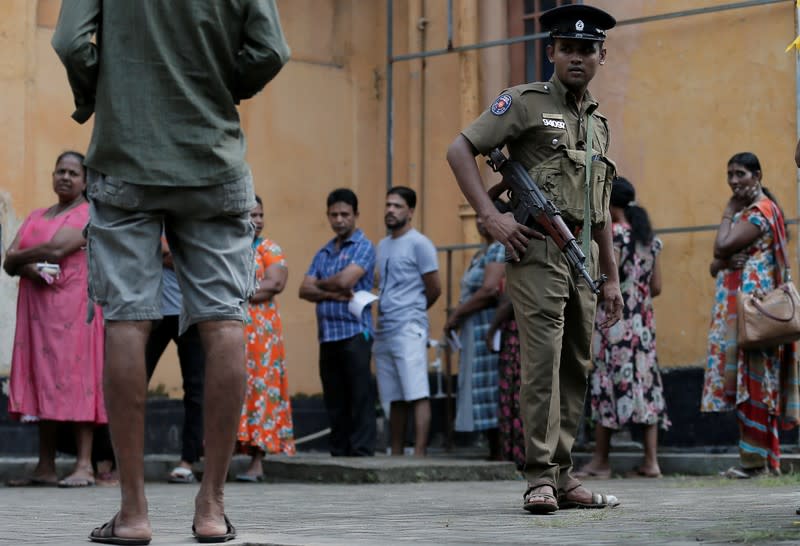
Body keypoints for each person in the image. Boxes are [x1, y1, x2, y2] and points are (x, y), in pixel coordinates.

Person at [52, 2, 289, 543]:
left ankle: (133, 512)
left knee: (127, 320)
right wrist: (215, 85)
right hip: (212, 157)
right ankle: (211, 506)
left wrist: (103, 94)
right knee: (225, 321)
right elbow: (272, 50)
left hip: (126, 152)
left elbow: (70, 42)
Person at [446, 4, 623, 513]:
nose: (576, 57)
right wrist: (489, 216)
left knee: (576, 364)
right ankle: (539, 477)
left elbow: (602, 209)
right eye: (567, 48)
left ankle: (565, 476)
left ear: (601, 57)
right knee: (542, 363)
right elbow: (460, 149)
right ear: (550, 52)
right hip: (537, 247)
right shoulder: (523, 103)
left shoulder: (598, 124)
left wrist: (610, 279)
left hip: (583, 252)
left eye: (587, 50)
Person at [4, 150, 106, 488]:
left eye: (73, 173)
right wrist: (25, 264)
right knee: (42, 380)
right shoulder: (36, 215)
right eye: (60, 171)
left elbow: (59, 250)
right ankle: (45, 466)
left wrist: (20, 256)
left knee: (79, 378)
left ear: (86, 181)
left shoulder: (89, 214)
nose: (65, 177)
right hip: (37, 315)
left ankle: (84, 466)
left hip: (75, 309)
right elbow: (7, 263)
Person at [702, 152, 800, 478]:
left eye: (740, 174)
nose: (733, 181)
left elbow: (720, 247)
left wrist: (729, 212)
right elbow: (717, 263)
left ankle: (755, 462)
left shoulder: (760, 211)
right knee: (754, 379)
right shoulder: (750, 213)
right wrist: (726, 259)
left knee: (755, 380)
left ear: (757, 175)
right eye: (729, 174)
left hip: (757, 309)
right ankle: (763, 460)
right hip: (746, 308)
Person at [576, 177, 670, 479]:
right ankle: (651, 462)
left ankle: (601, 461)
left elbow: (605, 283)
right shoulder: (648, 238)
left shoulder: (612, 235)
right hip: (643, 325)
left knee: (607, 385)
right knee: (645, 384)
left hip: (613, 324)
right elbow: (656, 287)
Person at [299, 189, 377, 457]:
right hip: (328, 334)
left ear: (356, 215)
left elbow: (347, 281)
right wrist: (332, 291)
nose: (339, 220)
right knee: (334, 396)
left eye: (345, 214)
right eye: (334, 214)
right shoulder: (323, 252)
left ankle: (362, 449)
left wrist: (319, 284)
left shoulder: (364, 246)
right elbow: (303, 290)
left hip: (355, 331)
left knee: (359, 393)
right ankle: (340, 449)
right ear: (328, 216)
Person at [374, 186, 441, 456]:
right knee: (394, 395)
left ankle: (420, 453)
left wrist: (413, 311)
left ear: (410, 211)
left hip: (409, 325)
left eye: (397, 206)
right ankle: (398, 451)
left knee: (416, 390)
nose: (390, 210)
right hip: (385, 328)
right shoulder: (382, 245)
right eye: (388, 205)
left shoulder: (419, 243)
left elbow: (434, 288)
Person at [237, 196, 295, 480]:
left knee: (261, 390)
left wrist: (235, 292)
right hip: (234, 329)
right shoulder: (230, 246)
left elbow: (275, 283)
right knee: (233, 390)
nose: (258, 220)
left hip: (262, 335)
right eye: (252, 215)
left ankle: (257, 462)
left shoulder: (269, 248)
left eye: (261, 215)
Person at [446, 203, 506, 459]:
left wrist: (457, 314)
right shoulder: (480, 254)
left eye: (487, 217)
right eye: (479, 218)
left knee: (490, 385)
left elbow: (490, 290)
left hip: (488, 326)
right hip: (475, 327)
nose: (481, 222)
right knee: (479, 384)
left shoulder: (499, 249)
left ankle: (500, 449)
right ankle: (492, 448)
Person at [145, 237, 205, 484]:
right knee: (131, 385)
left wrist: (164, 254)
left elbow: (195, 261)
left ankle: (187, 461)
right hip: (150, 313)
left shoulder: (188, 217)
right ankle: (118, 462)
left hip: (189, 314)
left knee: (196, 389)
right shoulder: (150, 217)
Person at [487, 292, 524, 470]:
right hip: (525, 335)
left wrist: (491, 329)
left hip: (516, 338)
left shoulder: (513, 266)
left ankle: (515, 455)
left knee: (515, 397)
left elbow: (510, 300)